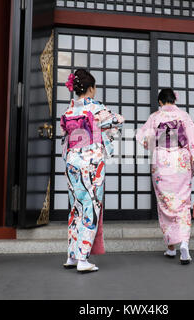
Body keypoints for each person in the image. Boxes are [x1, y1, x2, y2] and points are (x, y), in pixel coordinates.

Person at [136, 89, 194, 265]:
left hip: (162, 162)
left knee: (165, 203)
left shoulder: (155, 117)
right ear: (174, 100)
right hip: (181, 162)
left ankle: (171, 247)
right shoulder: (184, 116)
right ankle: (184, 243)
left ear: (161, 102)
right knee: (183, 202)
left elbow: (144, 139)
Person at [61, 69, 124, 273]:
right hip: (91, 163)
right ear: (91, 88)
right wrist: (108, 130)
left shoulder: (69, 110)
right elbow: (117, 120)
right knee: (91, 207)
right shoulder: (97, 108)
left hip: (72, 161)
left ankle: (72, 255)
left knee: (75, 207)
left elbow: (65, 135)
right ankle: (82, 258)